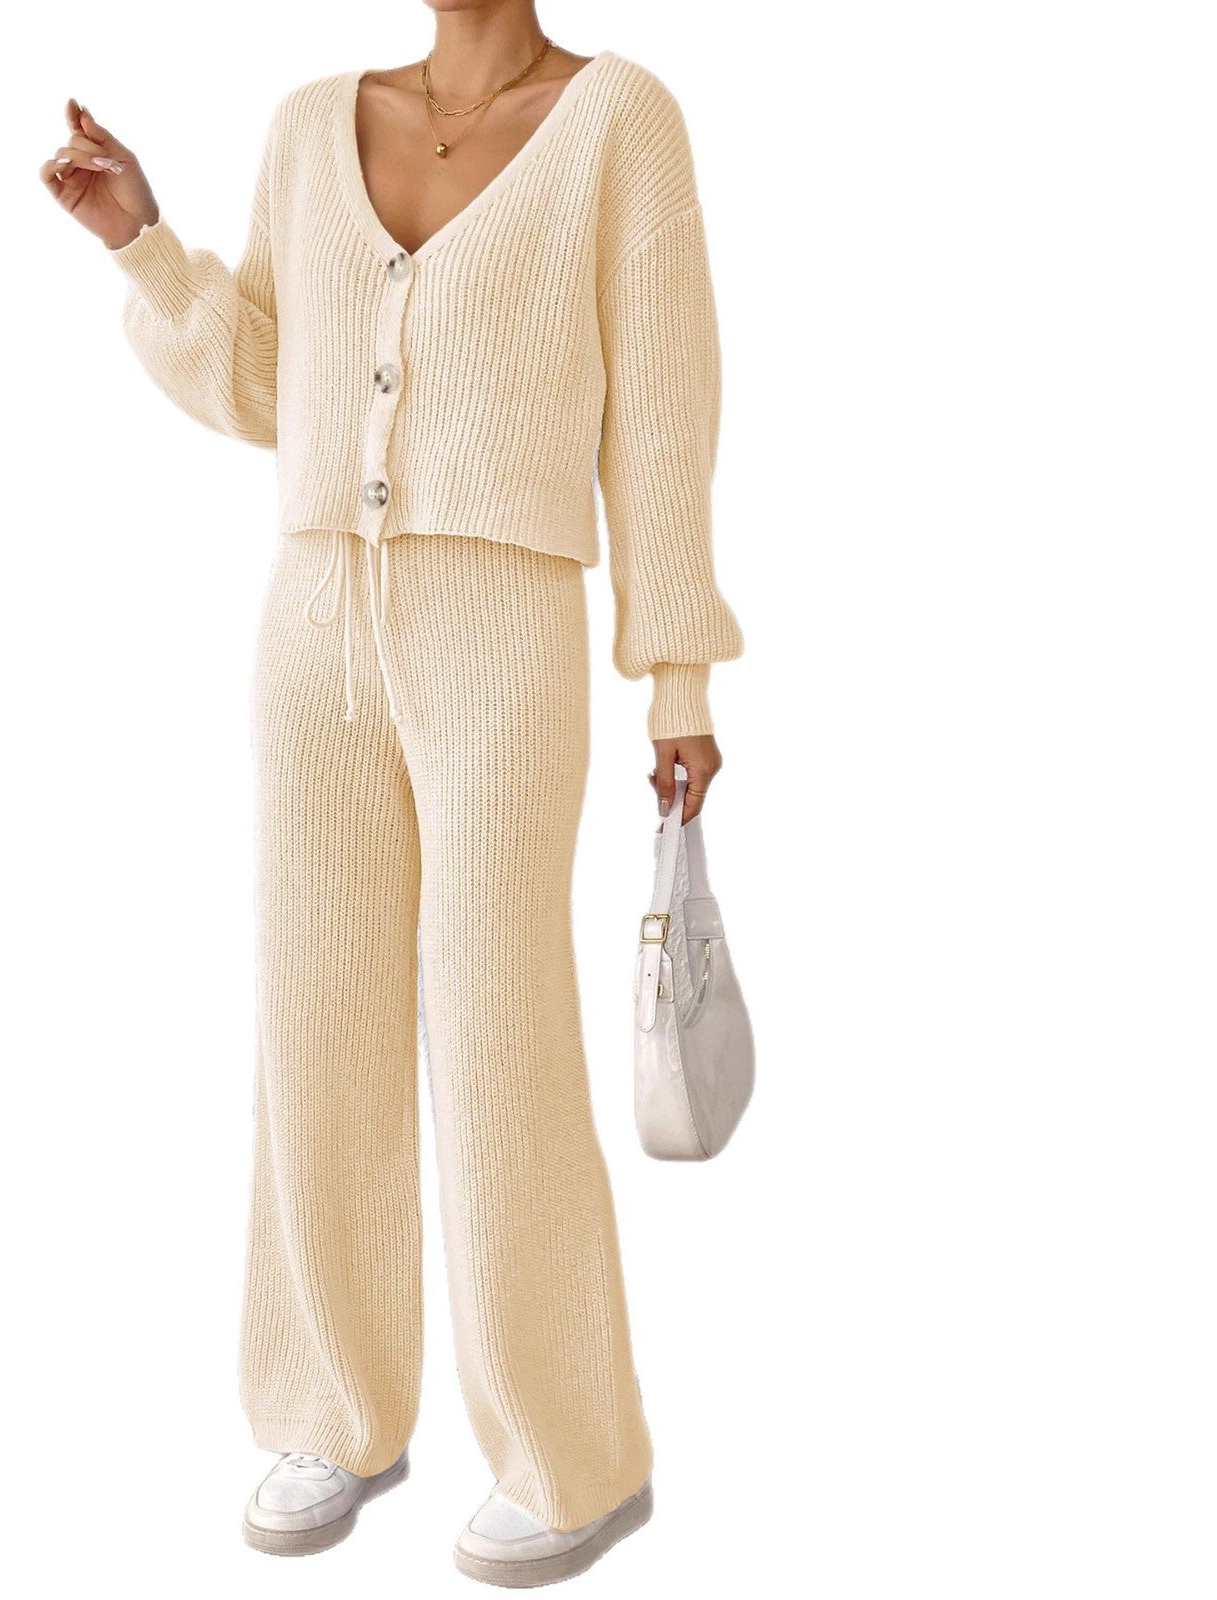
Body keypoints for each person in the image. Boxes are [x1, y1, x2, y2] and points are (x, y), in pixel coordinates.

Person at [41, 6, 743, 1586]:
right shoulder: (310, 123)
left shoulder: (621, 120)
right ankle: (332, 1407)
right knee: (317, 1023)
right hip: (312, 623)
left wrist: (680, 674)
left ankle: (571, 1451)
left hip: (502, 617)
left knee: (498, 1032)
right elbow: (270, 390)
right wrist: (144, 242)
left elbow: (664, 415)